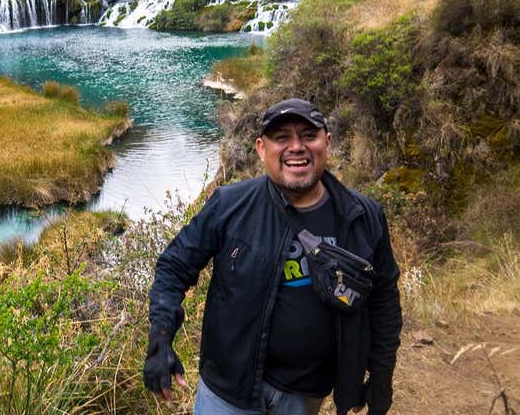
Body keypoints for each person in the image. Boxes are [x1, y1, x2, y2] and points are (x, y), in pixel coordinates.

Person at [144, 98, 402, 415]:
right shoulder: (230, 205)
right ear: (261, 148)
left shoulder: (363, 217)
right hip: (227, 393)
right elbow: (173, 267)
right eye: (282, 138)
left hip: (305, 397)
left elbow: (383, 300)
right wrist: (160, 337)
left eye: (309, 135)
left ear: (327, 143)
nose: (296, 147)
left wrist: (382, 374)